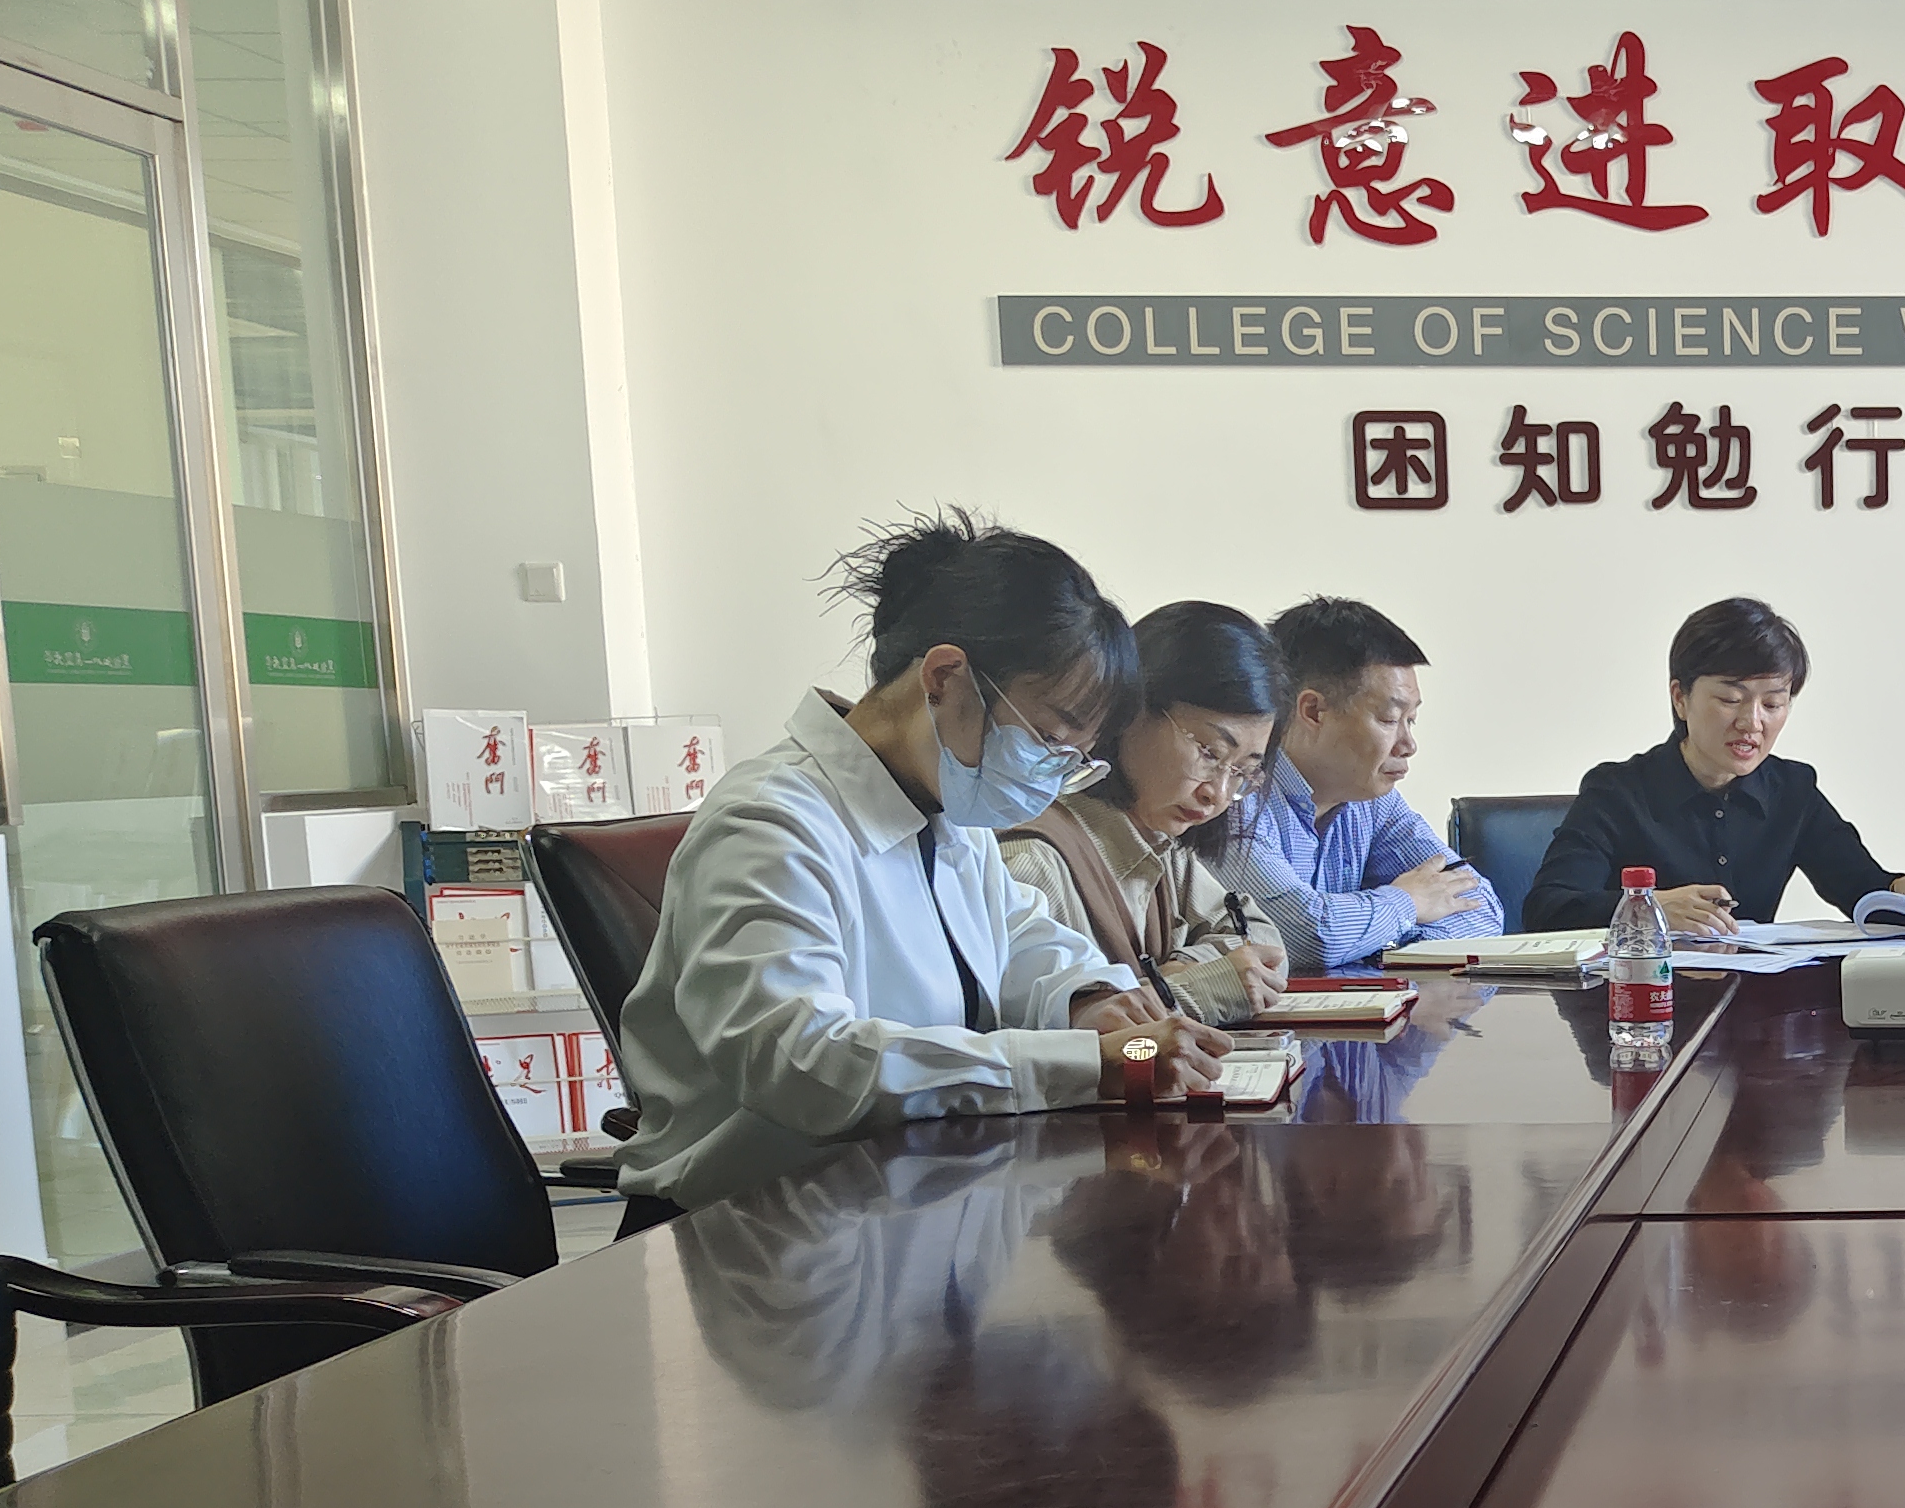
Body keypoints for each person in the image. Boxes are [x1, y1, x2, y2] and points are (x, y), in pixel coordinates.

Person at [614, 511, 1230, 1221]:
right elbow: (800, 1061)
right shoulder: (770, 823)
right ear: (944, 677)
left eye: (1071, 760)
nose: (1048, 776)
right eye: (1046, 738)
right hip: (752, 1228)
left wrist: (1087, 999)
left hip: (903, 1201)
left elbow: (1021, 941)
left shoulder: (945, 812)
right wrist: (1086, 1065)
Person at [1527, 595, 1905, 937]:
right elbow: (1547, 909)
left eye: (1773, 703)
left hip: (1752, 1010)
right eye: (1730, 699)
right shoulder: (1617, 792)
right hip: (1637, 1005)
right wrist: (1650, 909)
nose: (1752, 722)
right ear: (1680, 698)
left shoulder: (1792, 790)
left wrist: (1901, 891)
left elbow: (1859, 886)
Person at [998, 598, 1294, 1023]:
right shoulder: (1033, 861)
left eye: (1243, 772)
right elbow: (1037, 1035)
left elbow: (1263, 942)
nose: (1218, 793)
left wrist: (1184, 967)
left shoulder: (1160, 846)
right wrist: (1193, 989)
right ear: (1132, 709)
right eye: (1209, 753)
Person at [1206, 595, 1503, 969]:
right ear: (1314, 711)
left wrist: (1375, 942)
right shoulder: (1233, 795)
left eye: (1411, 720)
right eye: (1389, 719)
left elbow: (1481, 910)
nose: (1409, 745)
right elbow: (1306, 938)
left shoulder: (1375, 801)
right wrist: (1407, 902)